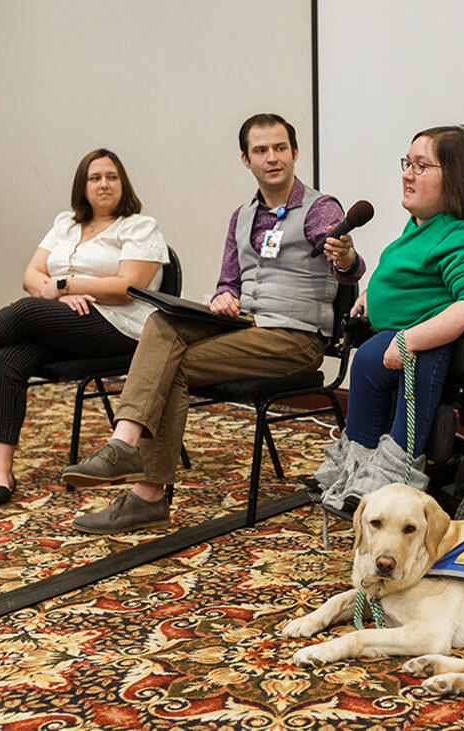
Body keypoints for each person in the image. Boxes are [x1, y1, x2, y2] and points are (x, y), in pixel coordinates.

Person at [64, 113, 365, 533]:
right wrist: (225, 296)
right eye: (261, 150)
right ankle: (124, 446)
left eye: (280, 148)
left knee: (173, 367)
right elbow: (230, 282)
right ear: (246, 159)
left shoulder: (319, 210)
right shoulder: (242, 216)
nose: (272, 158)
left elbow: (346, 269)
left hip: (295, 339)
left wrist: (346, 256)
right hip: (247, 327)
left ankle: (146, 494)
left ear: (295, 153)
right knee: (162, 323)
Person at [316, 125, 464, 510]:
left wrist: (410, 339)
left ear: (456, 180)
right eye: (407, 163)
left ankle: (397, 476)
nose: (407, 173)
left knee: (420, 356)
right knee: (367, 360)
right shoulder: (424, 224)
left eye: (421, 166)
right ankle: (358, 467)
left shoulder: (461, 235)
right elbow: (417, 281)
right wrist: (372, 293)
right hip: (418, 326)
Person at [0, 149, 169, 506]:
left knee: (26, 312)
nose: (104, 184)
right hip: (66, 321)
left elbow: (126, 287)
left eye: (112, 177)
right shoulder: (65, 225)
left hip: (121, 327)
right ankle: (0, 472)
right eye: (95, 178)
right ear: (82, 187)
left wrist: (64, 286)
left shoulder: (139, 226)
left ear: (124, 183)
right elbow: (31, 275)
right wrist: (60, 295)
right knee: (10, 358)